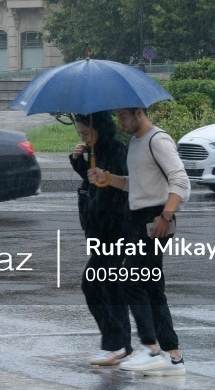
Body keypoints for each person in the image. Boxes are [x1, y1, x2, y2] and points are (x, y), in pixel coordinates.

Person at [95, 107, 190, 376]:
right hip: (140, 218)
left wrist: (165, 215)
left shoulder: (157, 140)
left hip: (156, 219)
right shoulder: (135, 143)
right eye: (117, 117)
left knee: (131, 280)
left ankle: (150, 349)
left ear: (139, 112)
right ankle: (173, 357)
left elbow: (179, 180)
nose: (119, 121)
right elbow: (136, 184)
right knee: (152, 288)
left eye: (124, 116)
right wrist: (108, 179)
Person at [69, 111, 131, 366]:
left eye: (86, 132)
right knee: (108, 286)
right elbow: (91, 180)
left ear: (100, 128)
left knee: (95, 283)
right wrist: (78, 160)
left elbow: (120, 187)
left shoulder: (115, 150)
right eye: (80, 133)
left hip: (114, 229)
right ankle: (119, 344)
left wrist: (103, 181)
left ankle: (116, 343)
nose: (83, 137)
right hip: (100, 231)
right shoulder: (97, 150)